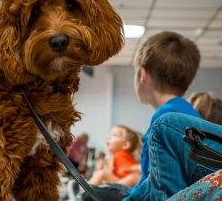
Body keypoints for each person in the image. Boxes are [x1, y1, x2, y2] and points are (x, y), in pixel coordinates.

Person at [83, 31, 203, 201]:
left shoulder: (165, 119)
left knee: (90, 195)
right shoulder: (192, 115)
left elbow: (157, 187)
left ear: (143, 75)